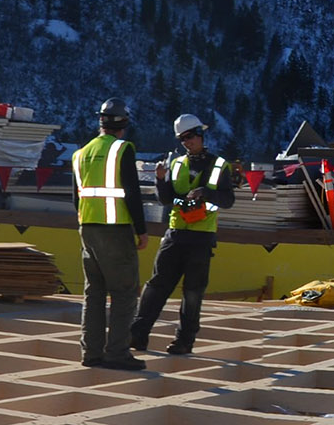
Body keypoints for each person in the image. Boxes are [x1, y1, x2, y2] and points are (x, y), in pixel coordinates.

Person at [130, 113, 235, 356]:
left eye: (190, 136)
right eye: (182, 138)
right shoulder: (176, 164)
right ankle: (138, 334)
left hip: (201, 237)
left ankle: (184, 341)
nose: (187, 142)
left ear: (201, 134)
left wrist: (205, 194)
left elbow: (227, 200)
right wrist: (159, 180)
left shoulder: (219, 165)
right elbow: (166, 199)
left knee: (192, 292)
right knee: (157, 285)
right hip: (176, 233)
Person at [72, 98, 149, 370]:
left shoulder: (80, 153)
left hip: (88, 229)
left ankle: (90, 353)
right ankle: (117, 353)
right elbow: (131, 193)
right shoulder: (122, 150)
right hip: (115, 231)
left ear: (100, 122)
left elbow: (76, 198)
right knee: (124, 292)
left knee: (93, 293)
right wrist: (141, 230)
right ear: (124, 125)